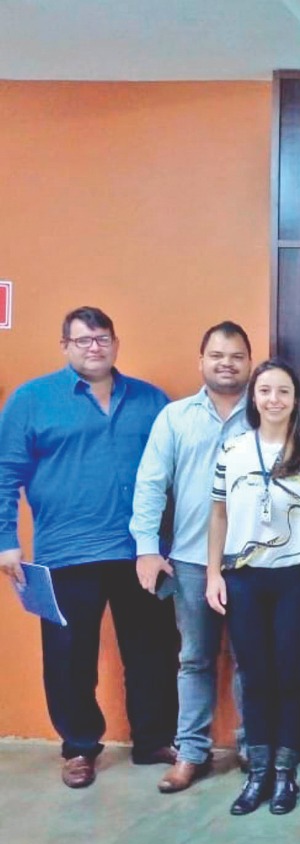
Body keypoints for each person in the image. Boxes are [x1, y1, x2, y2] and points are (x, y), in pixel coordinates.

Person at [0, 306, 177, 788]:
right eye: (83, 340)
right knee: (68, 657)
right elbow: (6, 473)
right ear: (65, 346)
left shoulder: (150, 400)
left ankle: (153, 739)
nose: (94, 348)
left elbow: (176, 472)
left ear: (115, 344)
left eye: (102, 339)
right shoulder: (32, 400)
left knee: (153, 650)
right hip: (66, 552)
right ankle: (79, 748)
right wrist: (6, 541)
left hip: (140, 551)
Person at [206, 359, 300, 815]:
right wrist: (213, 574)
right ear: (254, 397)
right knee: (255, 677)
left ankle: (286, 774)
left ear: (296, 398)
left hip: (297, 578)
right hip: (243, 578)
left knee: (289, 677)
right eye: (265, 391)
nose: (274, 399)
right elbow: (218, 515)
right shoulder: (234, 450)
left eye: (283, 391)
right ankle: (258, 773)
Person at [132, 321, 253, 793]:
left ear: (249, 362)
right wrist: (146, 548)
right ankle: (192, 753)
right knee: (195, 659)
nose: (227, 364)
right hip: (190, 561)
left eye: (236, 356)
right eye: (217, 355)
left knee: (251, 660)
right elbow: (150, 484)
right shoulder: (175, 417)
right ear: (201, 361)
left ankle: (253, 748)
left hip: (251, 562)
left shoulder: (265, 412)